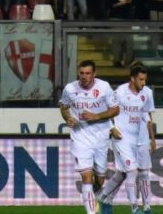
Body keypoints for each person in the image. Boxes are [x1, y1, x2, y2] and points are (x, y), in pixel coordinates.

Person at [59, 60, 119, 214]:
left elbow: (115, 110)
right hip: (80, 138)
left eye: (87, 73)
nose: (84, 76)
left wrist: (96, 116)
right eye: (81, 73)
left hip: (100, 138)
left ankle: (96, 196)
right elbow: (64, 107)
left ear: (94, 74)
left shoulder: (104, 87)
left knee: (99, 179)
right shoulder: (70, 88)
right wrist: (67, 118)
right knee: (86, 176)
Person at [97, 63, 155, 214]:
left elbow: (148, 115)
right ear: (133, 79)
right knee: (131, 171)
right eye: (141, 80)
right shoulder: (120, 92)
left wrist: (152, 139)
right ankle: (135, 208)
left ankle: (105, 198)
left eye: (145, 80)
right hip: (122, 138)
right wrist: (111, 128)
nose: (144, 83)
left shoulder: (147, 93)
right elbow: (105, 110)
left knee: (136, 173)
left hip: (141, 138)